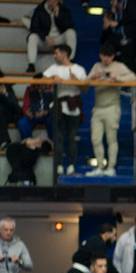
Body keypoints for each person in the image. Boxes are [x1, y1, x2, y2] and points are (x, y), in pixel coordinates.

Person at [85, 44, 136, 177]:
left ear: (113, 56)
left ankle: (111, 167)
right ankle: (100, 167)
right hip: (98, 108)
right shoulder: (97, 66)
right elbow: (84, 82)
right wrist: (93, 77)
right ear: (100, 55)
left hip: (112, 107)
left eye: (108, 56)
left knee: (111, 138)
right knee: (95, 138)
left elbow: (133, 78)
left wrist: (117, 78)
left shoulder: (119, 66)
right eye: (103, 56)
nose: (106, 59)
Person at [42, 44, 86, 176]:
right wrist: (51, 79)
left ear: (64, 53)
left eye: (56, 53)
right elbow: (41, 82)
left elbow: (85, 89)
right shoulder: (54, 68)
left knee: (72, 137)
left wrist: (76, 81)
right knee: (59, 137)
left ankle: (72, 165)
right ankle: (59, 165)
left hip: (73, 105)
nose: (54, 56)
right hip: (59, 104)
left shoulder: (78, 69)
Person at [26, 0, 77, 74]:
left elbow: (69, 26)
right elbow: (34, 27)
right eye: (50, 1)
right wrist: (45, 36)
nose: (52, 3)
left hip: (58, 41)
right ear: (47, 0)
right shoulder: (40, 10)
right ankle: (31, 64)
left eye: (54, 1)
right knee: (32, 37)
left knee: (71, 33)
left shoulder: (63, 10)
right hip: (45, 40)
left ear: (58, 2)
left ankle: (70, 60)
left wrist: (58, 17)